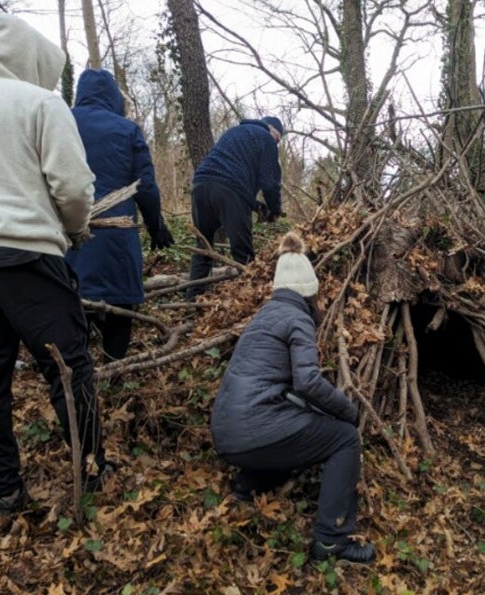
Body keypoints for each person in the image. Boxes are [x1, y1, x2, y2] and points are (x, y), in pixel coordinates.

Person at [0, 14, 113, 514]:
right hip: (27, 254)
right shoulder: (42, 103)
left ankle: (6, 491)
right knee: (67, 365)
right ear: (37, 64)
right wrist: (74, 228)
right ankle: (92, 467)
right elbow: (74, 188)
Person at [210, 232, 375, 564]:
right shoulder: (297, 318)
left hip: (226, 434)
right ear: (310, 293)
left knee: (295, 429)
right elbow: (308, 381)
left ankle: (249, 484)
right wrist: (347, 412)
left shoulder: (263, 318)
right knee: (343, 438)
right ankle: (331, 541)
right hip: (255, 428)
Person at [65, 68, 174, 362]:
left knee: (73, 304)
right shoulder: (126, 129)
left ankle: (79, 375)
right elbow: (145, 186)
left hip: (66, 236)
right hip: (116, 235)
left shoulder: (60, 122)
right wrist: (156, 226)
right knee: (120, 309)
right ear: (114, 97)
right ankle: (114, 375)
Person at [186, 116, 284, 300]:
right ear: (272, 130)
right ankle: (248, 301)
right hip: (229, 190)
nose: (276, 143)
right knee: (242, 252)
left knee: (203, 245)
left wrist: (255, 205)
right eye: (278, 139)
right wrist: (275, 210)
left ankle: (192, 300)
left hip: (200, 185)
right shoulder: (266, 138)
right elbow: (270, 183)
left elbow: (231, 174)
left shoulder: (233, 132)